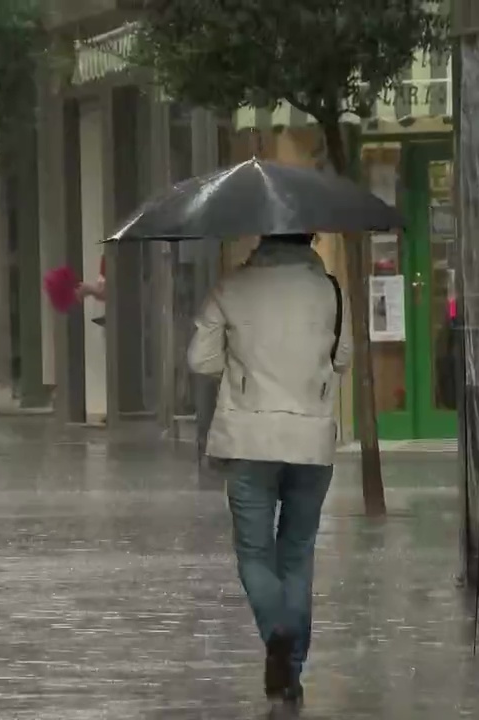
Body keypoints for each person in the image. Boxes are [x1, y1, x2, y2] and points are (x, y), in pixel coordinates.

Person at [186, 233, 351, 711]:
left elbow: (200, 358)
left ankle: (276, 633)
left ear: (262, 237)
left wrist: (239, 365)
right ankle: (290, 675)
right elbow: (343, 358)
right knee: (297, 553)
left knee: (255, 553)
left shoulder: (232, 286)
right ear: (311, 238)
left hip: (249, 439)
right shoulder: (332, 291)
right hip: (311, 440)